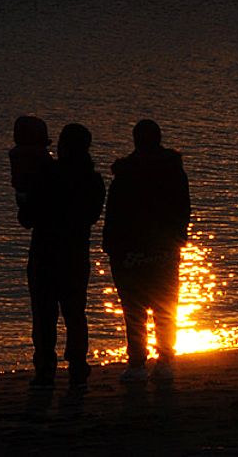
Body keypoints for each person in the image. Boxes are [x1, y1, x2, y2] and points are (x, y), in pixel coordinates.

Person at [102, 118, 191, 381]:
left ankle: (138, 364)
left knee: (134, 309)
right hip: (164, 250)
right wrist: (176, 239)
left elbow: (114, 215)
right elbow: (183, 210)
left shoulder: (125, 174)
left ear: (136, 140)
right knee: (165, 306)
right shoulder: (174, 171)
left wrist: (112, 247)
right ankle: (165, 361)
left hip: (131, 251)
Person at [28, 123, 106, 387]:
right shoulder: (94, 180)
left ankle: (45, 366)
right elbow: (93, 216)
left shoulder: (47, 175)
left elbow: (27, 217)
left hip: (45, 254)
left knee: (44, 314)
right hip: (75, 255)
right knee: (75, 313)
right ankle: (78, 364)